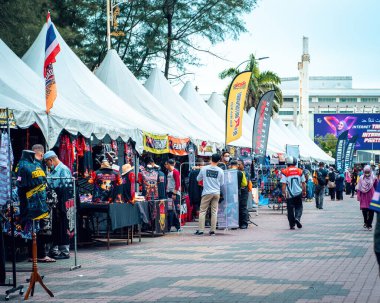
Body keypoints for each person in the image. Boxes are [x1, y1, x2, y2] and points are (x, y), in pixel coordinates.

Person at [43, 151, 72, 259]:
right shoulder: (54, 170)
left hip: (62, 202)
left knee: (63, 226)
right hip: (55, 203)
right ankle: (54, 250)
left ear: (51, 160)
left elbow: (66, 189)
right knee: (55, 226)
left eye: (47, 163)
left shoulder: (63, 170)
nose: (47, 165)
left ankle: (64, 251)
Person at [195, 153, 224, 236]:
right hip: (216, 193)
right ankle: (212, 231)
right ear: (219, 160)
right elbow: (222, 183)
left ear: (211, 159)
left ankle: (201, 230)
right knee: (214, 212)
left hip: (207, 192)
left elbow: (198, 178)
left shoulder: (204, 169)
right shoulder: (220, 170)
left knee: (202, 211)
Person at [281, 156, 306, 230]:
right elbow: (303, 183)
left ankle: (292, 225)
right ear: (295, 162)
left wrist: (283, 193)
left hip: (289, 194)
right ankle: (297, 218)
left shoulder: (285, 171)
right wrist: (304, 191)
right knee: (299, 207)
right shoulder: (300, 171)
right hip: (298, 193)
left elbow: (284, 184)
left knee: (290, 209)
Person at [357, 165, 378, 231]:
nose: (367, 173)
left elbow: (377, 187)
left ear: (370, 171)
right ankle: (365, 221)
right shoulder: (361, 178)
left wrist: (377, 198)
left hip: (371, 196)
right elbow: (359, 187)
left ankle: (369, 225)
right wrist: (358, 195)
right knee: (364, 210)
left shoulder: (374, 178)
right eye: (365, 172)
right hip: (363, 196)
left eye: (368, 172)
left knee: (371, 211)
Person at [230, 160, 249, 229]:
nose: (238, 165)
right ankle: (236, 223)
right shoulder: (236, 172)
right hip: (237, 191)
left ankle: (243, 223)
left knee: (242, 207)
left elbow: (245, 184)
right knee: (235, 207)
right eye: (237, 164)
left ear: (243, 165)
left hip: (242, 192)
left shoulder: (245, 173)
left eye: (239, 164)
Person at [166, 159, 181, 232]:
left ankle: (177, 226)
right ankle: (174, 226)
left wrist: (174, 193)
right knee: (170, 210)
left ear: (169, 164)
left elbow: (178, 184)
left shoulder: (175, 172)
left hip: (174, 193)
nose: (166, 166)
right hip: (170, 193)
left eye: (166, 164)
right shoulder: (169, 172)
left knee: (174, 210)